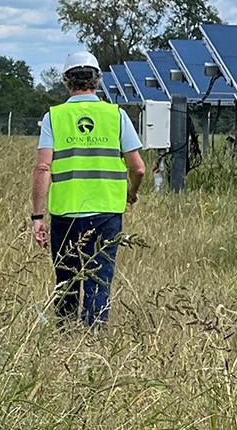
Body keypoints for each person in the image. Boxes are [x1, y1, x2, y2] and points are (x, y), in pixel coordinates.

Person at [30, 52, 147, 326]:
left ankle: (66, 336)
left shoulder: (54, 117)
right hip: (107, 211)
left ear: (66, 82)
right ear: (98, 81)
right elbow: (139, 168)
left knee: (66, 280)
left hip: (66, 213)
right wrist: (132, 192)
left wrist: (37, 217)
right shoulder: (116, 116)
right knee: (99, 279)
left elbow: (43, 169)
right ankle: (93, 340)